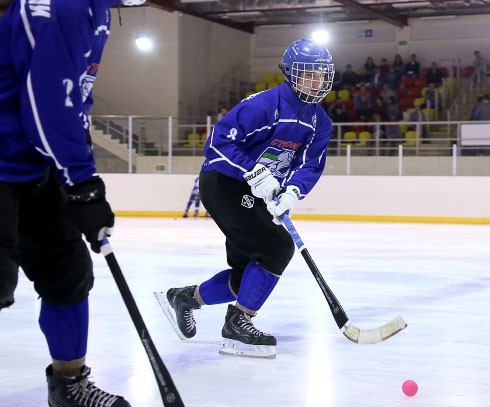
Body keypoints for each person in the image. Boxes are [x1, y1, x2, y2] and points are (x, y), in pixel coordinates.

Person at [0, 1, 147, 406]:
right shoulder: (63, 5)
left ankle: (69, 386)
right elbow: (46, 103)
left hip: (35, 164)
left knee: (68, 275)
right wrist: (82, 183)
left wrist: (77, 173)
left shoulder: (96, 9)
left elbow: (74, 98)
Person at [161, 38, 335, 359]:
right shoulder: (264, 105)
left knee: (247, 273)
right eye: (308, 73)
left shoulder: (319, 122)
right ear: (290, 73)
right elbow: (217, 144)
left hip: (258, 191)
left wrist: (292, 191)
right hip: (225, 183)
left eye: (321, 75)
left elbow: (310, 164)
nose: (315, 81)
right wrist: (253, 172)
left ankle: (186, 298)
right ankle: (239, 323)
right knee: (278, 247)